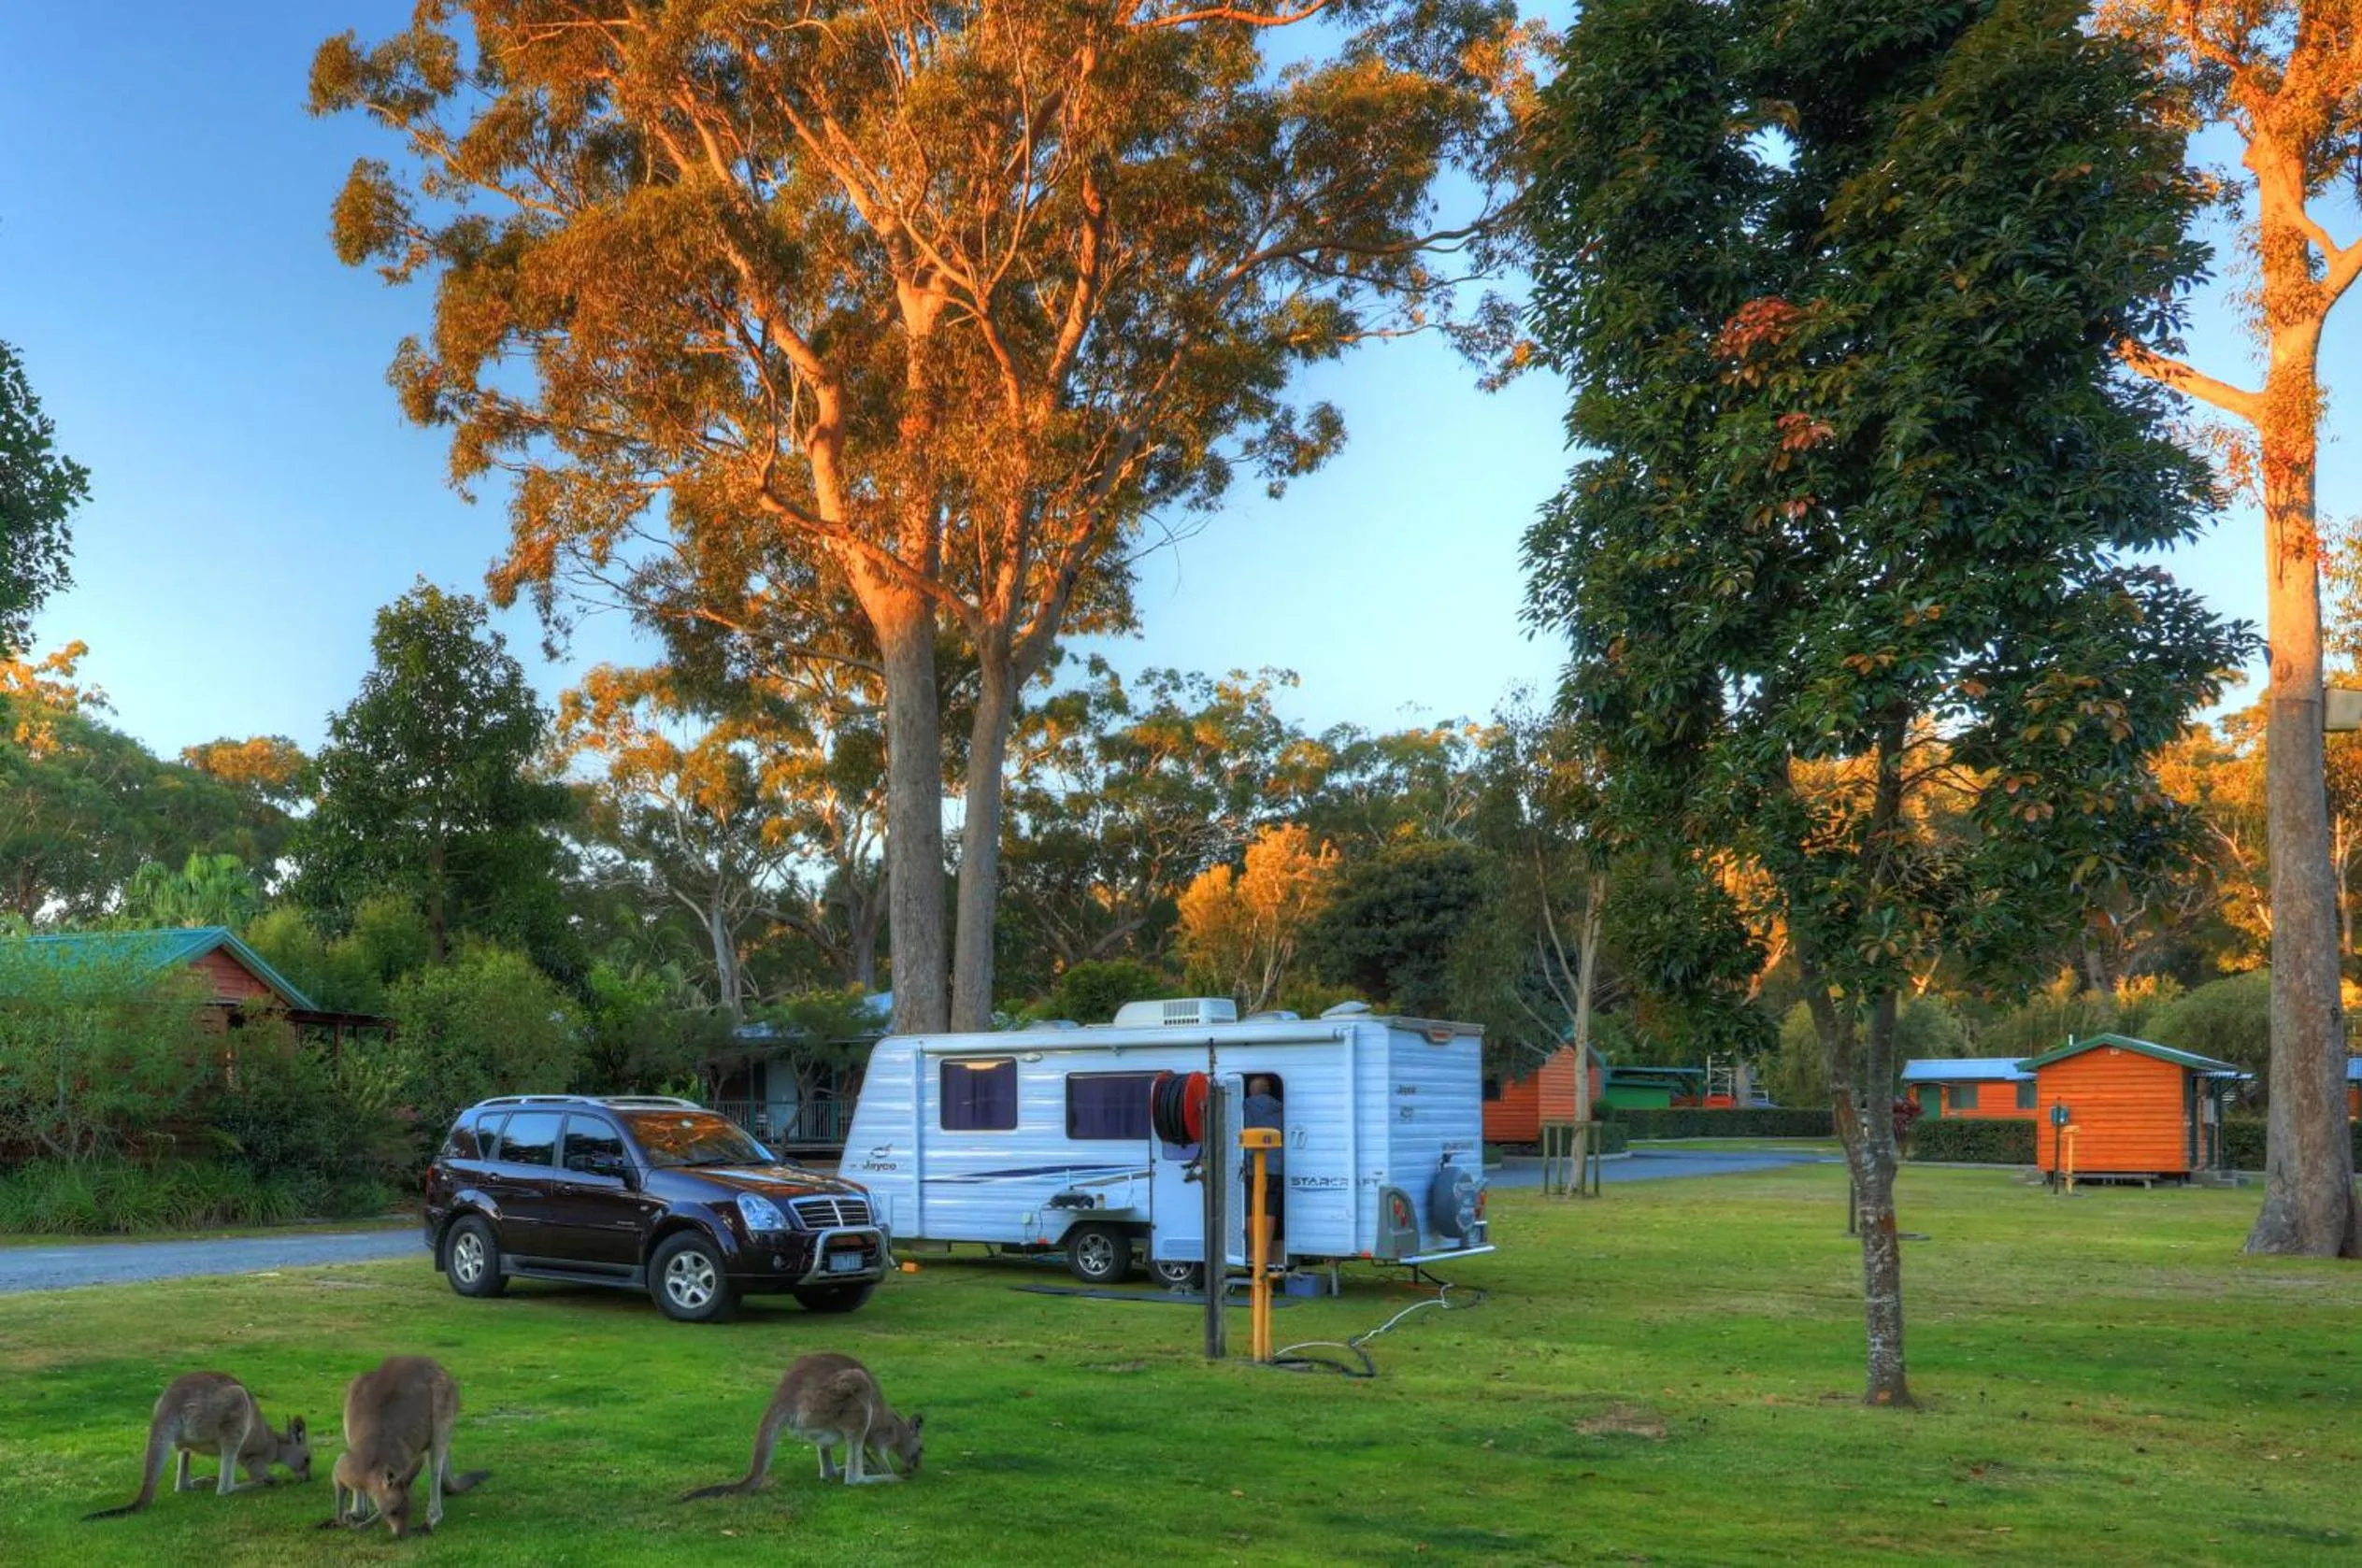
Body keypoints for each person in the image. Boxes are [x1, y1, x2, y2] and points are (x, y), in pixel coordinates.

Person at [1241, 1075, 1284, 1255]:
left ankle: (1253, 1250)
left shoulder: (1245, 1107)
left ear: (1251, 1092)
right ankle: (1265, 1251)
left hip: (1253, 1165)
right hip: (1275, 1166)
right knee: (1270, 1208)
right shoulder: (1280, 1109)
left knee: (1252, 1209)